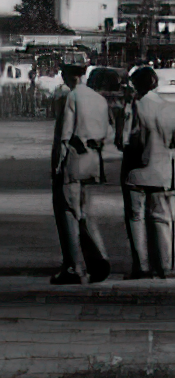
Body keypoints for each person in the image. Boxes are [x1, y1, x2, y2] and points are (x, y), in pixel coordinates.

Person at [46, 53, 124, 287]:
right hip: (94, 160)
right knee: (86, 212)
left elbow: (64, 135)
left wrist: (57, 165)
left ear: (66, 74)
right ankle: (98, 258)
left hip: (74, 159)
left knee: (67, 213)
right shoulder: (98, 99)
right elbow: (109, 133)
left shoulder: (72, 97)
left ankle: (74, 267)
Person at [121, 61, 169, 283]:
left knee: (136, 218)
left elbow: (124, 140)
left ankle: (142, 266)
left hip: (136, 172)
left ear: (136, 85)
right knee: (161, 218)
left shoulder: (135, 106)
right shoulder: (169, 107)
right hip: (162, 172)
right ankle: (166, 266)